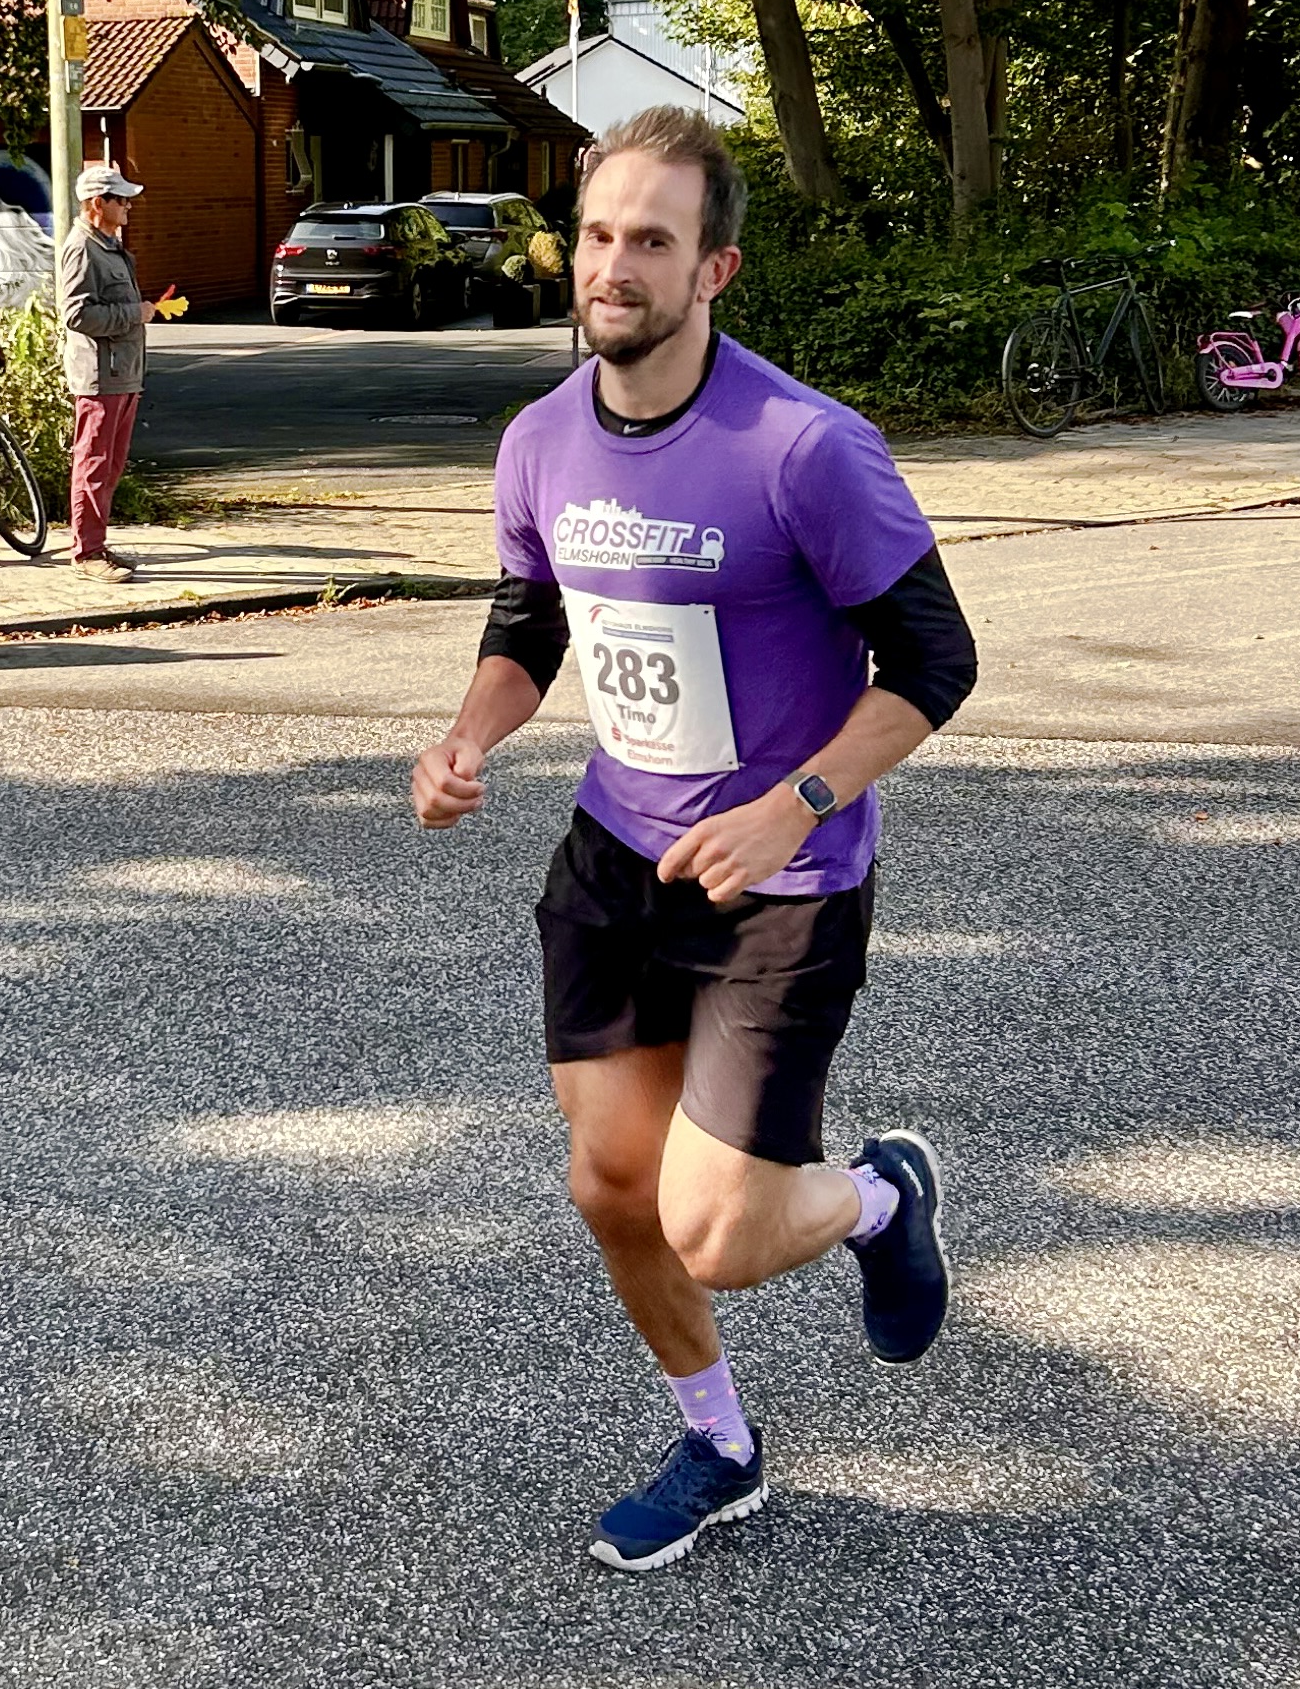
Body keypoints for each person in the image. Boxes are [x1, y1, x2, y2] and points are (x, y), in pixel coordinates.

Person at [410, 106, 977, 1574]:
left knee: (715, 1228)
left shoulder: (804, 448)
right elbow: (530, 621)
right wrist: (468, 737)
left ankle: (878, 1196)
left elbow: (934, 660)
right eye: (596, 234)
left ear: (711, 268)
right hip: (616, 859)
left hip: (780, 879)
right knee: (612, 1185)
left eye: (650, 240)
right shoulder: (538, 440)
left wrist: (794, 800)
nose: (613, 265)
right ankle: (719, 1444)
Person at [58, 161, 163, 584]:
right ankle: (86, 554)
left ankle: (96, 545)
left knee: (111, 465)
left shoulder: (108, 245)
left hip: (123, 373)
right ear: (97, 203)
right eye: (121, 200)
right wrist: (134, 313)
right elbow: (76, 314)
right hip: (100, 376)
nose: (129, 207)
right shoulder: (82, 248)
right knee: (94, 463)